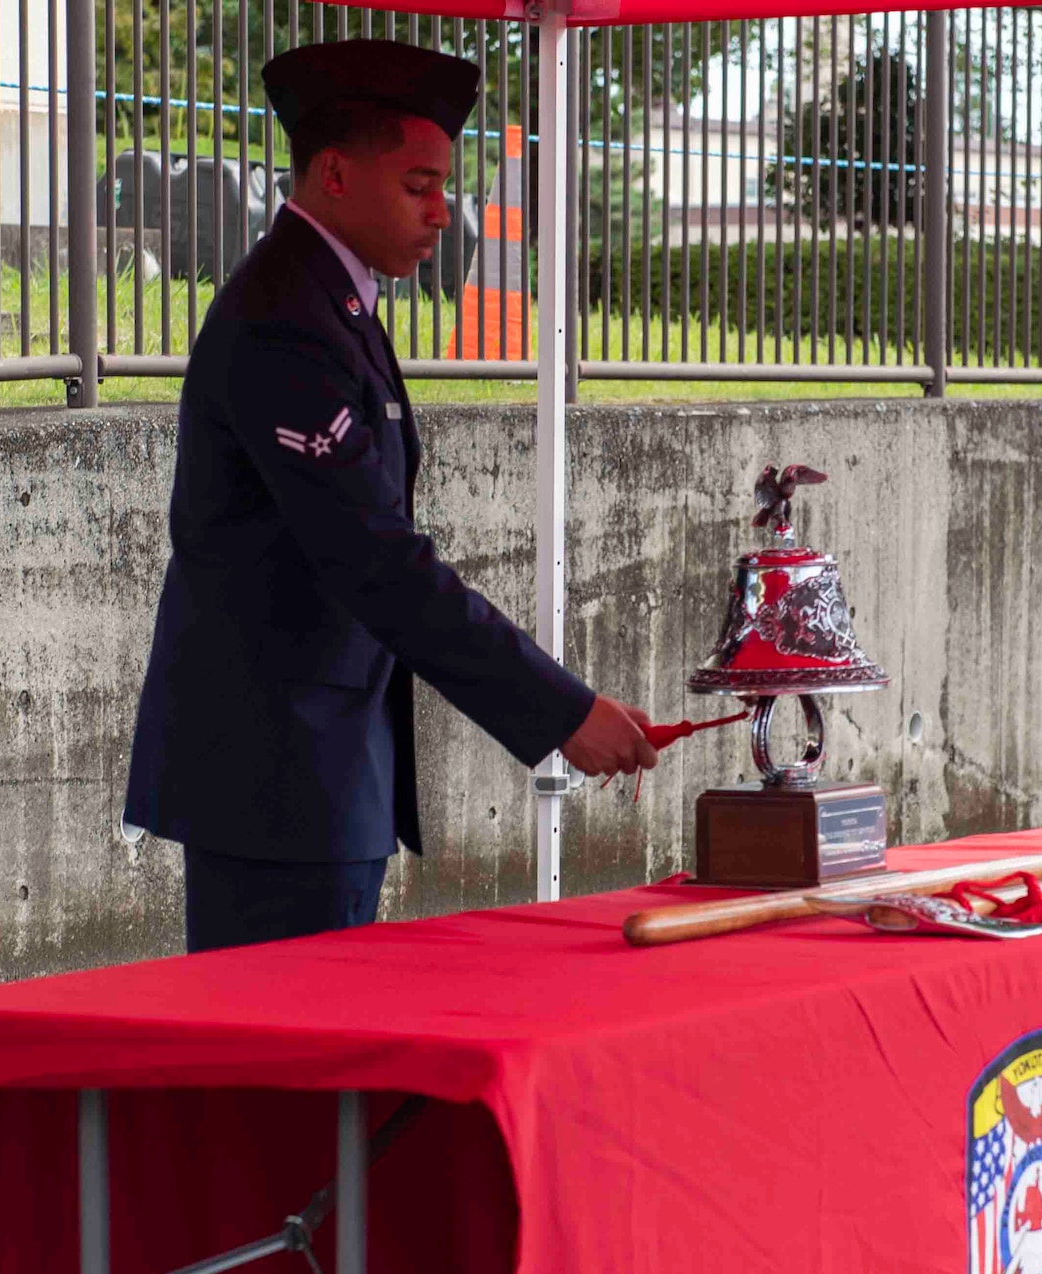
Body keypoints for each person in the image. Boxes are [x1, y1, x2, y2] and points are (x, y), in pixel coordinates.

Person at [124, 39, 659, 954]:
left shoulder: (334, 304)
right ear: (334, 173)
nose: (444, 213)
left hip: (317, 762)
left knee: (312, 1065)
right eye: (419, 185)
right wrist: (560, 712)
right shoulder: (284, 321)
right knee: (285, 1064)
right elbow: (376, 558)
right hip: (274, 773)